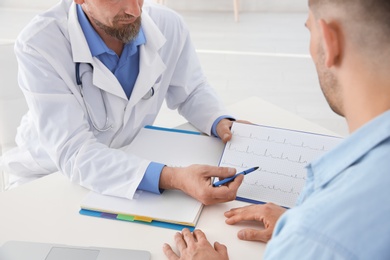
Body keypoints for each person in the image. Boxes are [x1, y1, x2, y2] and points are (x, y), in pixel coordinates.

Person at [163, 0, 390, 258]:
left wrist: (305, 233)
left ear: (329, 41)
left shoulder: (314, 240)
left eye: (309, 29)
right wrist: (297, 221)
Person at [0, 0, 245, 205]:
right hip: (49, 178)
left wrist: (219, 121)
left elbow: (192, 91)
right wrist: (173, 177)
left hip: (129, 163)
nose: (135, 11)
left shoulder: (168, 25)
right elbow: (75, 152)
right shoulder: (40, 43)